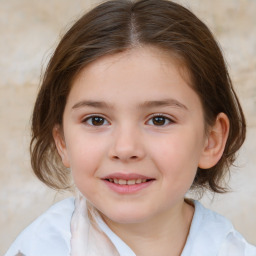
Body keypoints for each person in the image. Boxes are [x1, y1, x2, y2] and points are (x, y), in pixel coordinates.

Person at [5, 0, 256, 255]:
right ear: (62, 141)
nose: (125, 148)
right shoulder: (40, 248)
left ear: (210, 140)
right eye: (96, 120)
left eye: (159, 120)